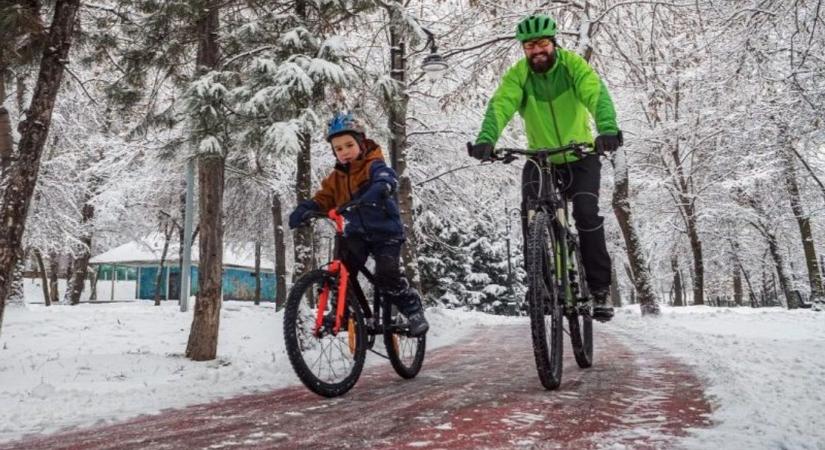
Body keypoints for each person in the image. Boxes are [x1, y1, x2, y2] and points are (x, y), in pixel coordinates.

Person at [468, 14, 622, 321]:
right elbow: (501, 104)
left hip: (581, 155)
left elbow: (596, 93)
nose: (536, 51)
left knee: (586, 214)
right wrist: (487, 139)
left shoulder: (572, 66)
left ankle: (599, 289)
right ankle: (542, 288)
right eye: (529, 46)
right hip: (540, 159)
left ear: (553, 43)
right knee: (531, 218)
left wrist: (606, 129)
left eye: (541, 43)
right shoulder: (519, 76)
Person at [288, 112, 429, 336]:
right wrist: (306, 209)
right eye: (338, 149)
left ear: (361, 143)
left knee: (386, 272)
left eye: (349, 145)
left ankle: (412, 309)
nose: (344, 152)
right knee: (344, 268)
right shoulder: (336, 178)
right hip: (357, 234)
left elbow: (387, 177)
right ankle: (340, 313)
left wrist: (381, 187)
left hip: (385, 233)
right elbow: (323, 199)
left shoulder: (373, 165)